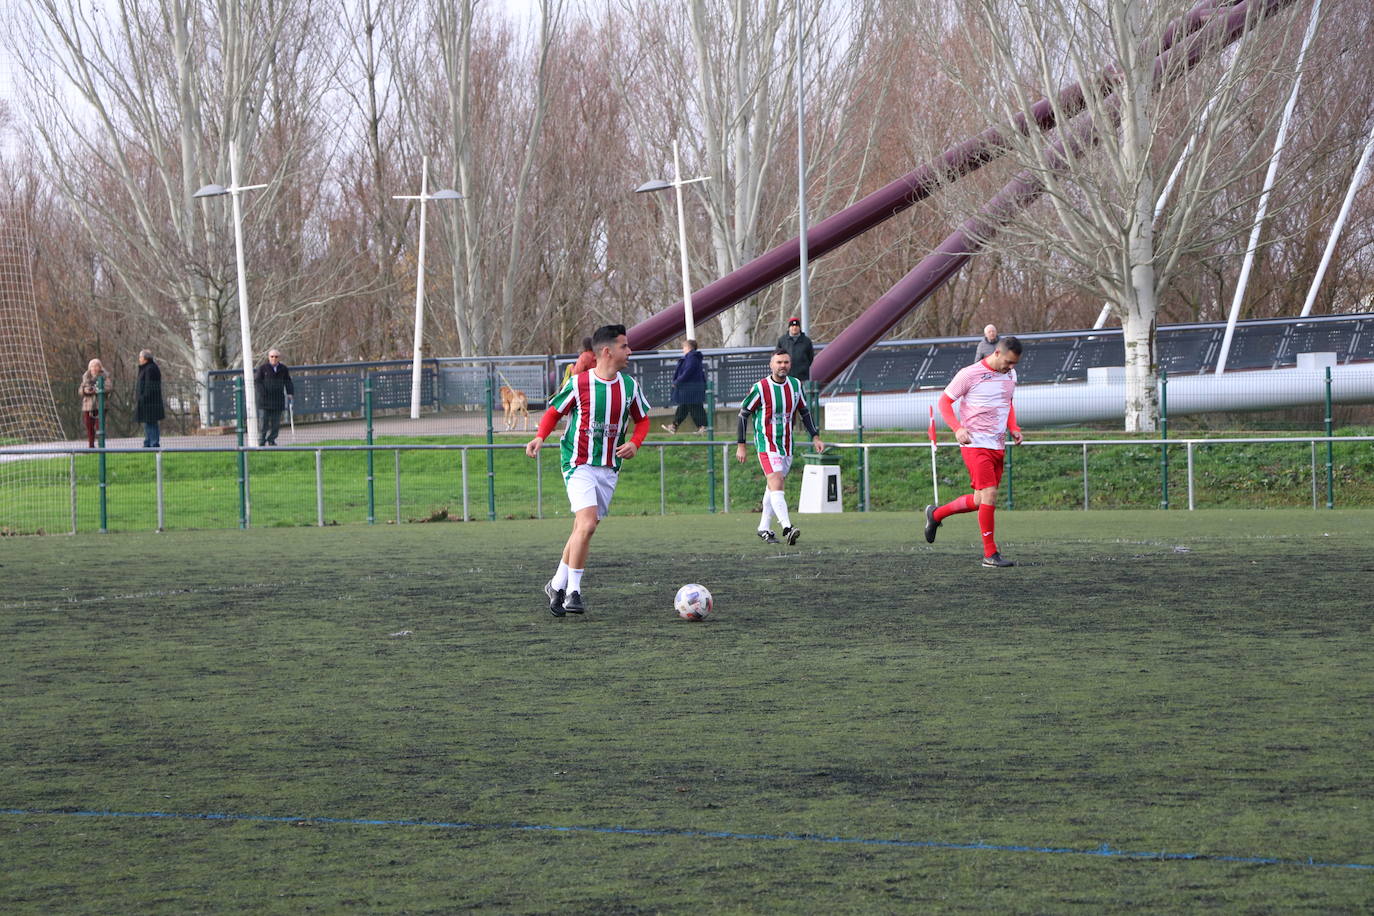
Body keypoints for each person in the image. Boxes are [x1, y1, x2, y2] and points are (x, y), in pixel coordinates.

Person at [526, 324, 651, 617]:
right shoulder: (579, 383)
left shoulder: (629, 386)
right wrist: (540, 437)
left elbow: (642, 420)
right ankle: (574, 592)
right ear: (607, 351)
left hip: (608, 467)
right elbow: (554, 412)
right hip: (577, 462)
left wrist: (635, 442)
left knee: (582, 529)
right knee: (587, 525)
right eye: (625, 346)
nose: (630, 351)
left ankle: (556, 584)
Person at [924, 336, 1023, 567]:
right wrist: (957, 428)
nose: (1011, 367)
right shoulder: (969, 374)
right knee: (989, 495)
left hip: (997, 445)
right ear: (997, 353)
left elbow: (1007, 403)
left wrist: (1014, 427)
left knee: (980, 500)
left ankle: (935, 515)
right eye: (1008, 362)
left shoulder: (1011, 375)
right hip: (975, 444)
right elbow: (944, 403)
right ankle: (990, 554)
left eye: (1015, 364)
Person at [736, 348, 824, 545]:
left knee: (773, 487)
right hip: (766, 444)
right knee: (776, 481)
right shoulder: (761, 387)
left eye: (785, 362)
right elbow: (743, 414)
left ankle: (764, 528)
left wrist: (815, 437)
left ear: (789, 364)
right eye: (779, 362)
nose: (782, 366)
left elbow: (804, 411)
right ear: (771, 365)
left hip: (786, 445)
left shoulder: (795, 385)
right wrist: (741, 444)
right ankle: (787, 526)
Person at [662, 339, 708, 435]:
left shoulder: (691, 357)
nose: (683, 349)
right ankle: (675, 426)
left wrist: (678, 381)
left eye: (684, 347)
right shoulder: (693, 357)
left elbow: (688, 371)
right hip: (692, 387)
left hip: (690, 387)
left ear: (688, 347)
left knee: (693, 407)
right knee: (686, 406)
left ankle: (702, 427)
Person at [253, 348, 295, 446]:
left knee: (276, 423)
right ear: (269, 357)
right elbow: (257, 381)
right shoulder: (263, 368)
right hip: (265, 401)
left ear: (279, 358)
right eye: (272, 356)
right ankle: (261, 441)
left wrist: (290, 393)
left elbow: (288, 381)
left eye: (276, 357)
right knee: (263, 422)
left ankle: (272, 439)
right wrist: (262, 392)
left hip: (278, 399)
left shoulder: (283, 369)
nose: (274, 359)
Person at [134, 349, 165, 448]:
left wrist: (143, 397)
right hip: (147, 400)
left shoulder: (150, 369)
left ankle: (154, 443)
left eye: (140, 357)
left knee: (151, 422)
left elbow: (149, 385)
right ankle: (148, 441)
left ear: (145, 358)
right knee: (148, 422)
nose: (139, 359)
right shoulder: (147, 368)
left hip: (150, 401)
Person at [78, 358, 111, 448]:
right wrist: (86, 390)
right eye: (92, 366)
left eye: (96, 366)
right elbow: (80, 390)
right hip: (88, 406)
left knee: (99, 426)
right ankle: (91, 445)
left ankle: (101, 445)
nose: (94, 368)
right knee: (89, 426)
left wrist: (98, 390)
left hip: (100, 405)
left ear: (100, 367)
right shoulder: (85, 378)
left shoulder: (104, 377)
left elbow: (108, 388)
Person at [776, 316, 815, 382]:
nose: (794, 328)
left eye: (796, 326)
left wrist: (804, 367)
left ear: (799, 328)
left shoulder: (806, 341)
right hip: (787, 375)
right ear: (789, 328)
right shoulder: (782, 340)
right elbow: (777, 356)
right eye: (792, 326)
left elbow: (810, 357)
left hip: (803, 376)